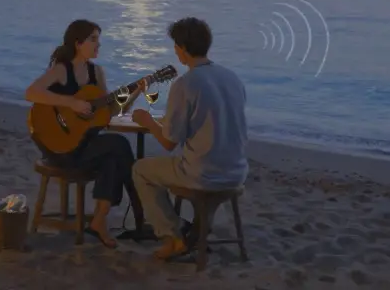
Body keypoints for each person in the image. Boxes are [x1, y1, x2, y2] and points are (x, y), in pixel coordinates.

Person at [132, 17, 248, 260]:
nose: (175, 51)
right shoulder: (232, 78)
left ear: (182, 48)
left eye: (176, 46)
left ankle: (173, 237)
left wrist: (148, 122)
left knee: (141, 170)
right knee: (200, 161)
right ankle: (198, 230)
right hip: (237, 171)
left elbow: (168, 143)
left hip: (204, 173)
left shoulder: (185, 83)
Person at [25, 19, 144, 248]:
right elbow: (31, 93)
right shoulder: (61, 70)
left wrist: (136, 91)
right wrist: (70, 103)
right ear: (78, 43)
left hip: (82, 143)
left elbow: (111, 110)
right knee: (119, 145)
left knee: (112, 157)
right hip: (57, 146)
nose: (98, 45)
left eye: (99, 39)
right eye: (94, 39)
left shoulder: (96, 73)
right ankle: (138, 202)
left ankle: (100, 220)